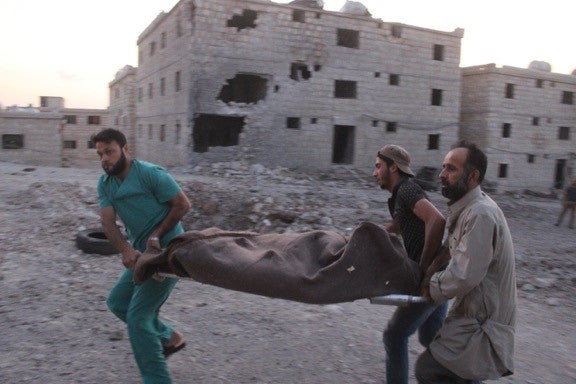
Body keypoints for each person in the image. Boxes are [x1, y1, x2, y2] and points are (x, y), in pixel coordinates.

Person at [92, 128, 191, 384]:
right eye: (100, 154)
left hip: (168, 252)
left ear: (126, 149)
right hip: (141, 254)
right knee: (118, 303)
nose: (105, 158)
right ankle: (170, 338)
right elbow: (107, 221)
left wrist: (158, 234)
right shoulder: (106, 183)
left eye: (110, 151)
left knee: (138, 318)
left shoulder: (150, 173)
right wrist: (125, 249)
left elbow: (183, 204)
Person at [416, 140, 517, 383]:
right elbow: (453, 251)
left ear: (473, 176)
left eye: (451, 169)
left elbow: (464, 275)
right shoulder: (468, 208)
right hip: (473, 314)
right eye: (443, 167)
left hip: (483, 321)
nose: (442, 174)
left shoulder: (480, 214)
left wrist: (429, 287)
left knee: (430, 370)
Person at [372, 144, 448, 384]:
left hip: (433, 278)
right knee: (432, 339)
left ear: (393, 167)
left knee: (394, 336)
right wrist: (367, 237)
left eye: (378, 166)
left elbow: (437, 219)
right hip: (441, 277)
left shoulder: (407, 189)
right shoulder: (397, 199)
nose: (374, 173)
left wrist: (422, 270)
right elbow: (396, 226)